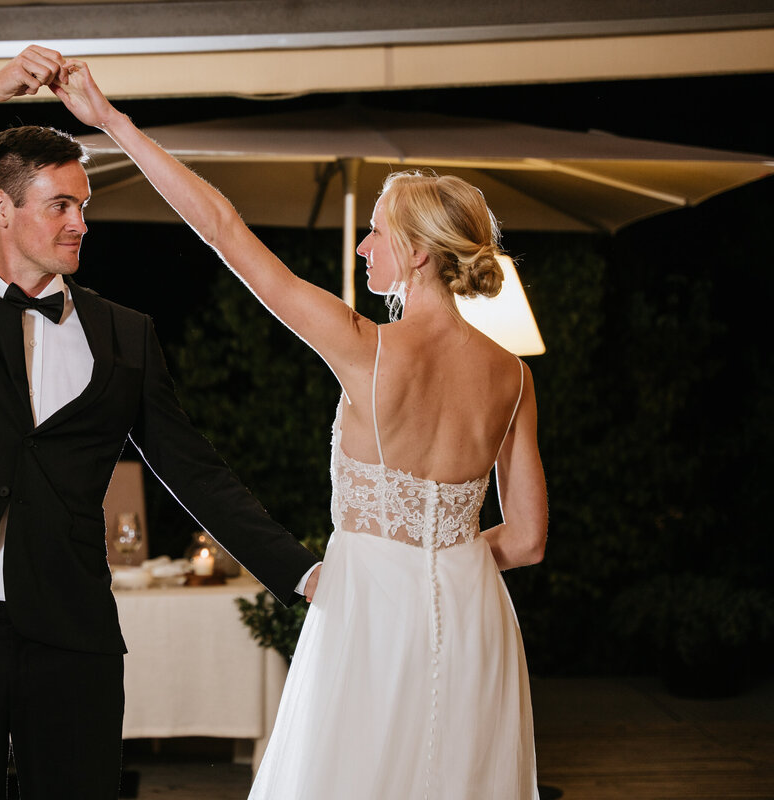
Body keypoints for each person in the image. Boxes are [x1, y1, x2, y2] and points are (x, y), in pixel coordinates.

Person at [54, 60, 548, 798]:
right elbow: (527, 540)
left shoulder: (364, 346)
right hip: (477, 620)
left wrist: (115, 124)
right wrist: (443, 562)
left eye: (376, 234)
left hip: (371, 615)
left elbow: (222, 227)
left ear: (416, 252)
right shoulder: (513, 375)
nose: (363, 248)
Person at [0, 45, 320, 800]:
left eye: (85, 205)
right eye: (60, 205)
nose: (80, 223)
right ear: (0, 209)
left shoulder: (125, 333)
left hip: (72, 628)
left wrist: (301, 572)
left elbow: (195, 471)